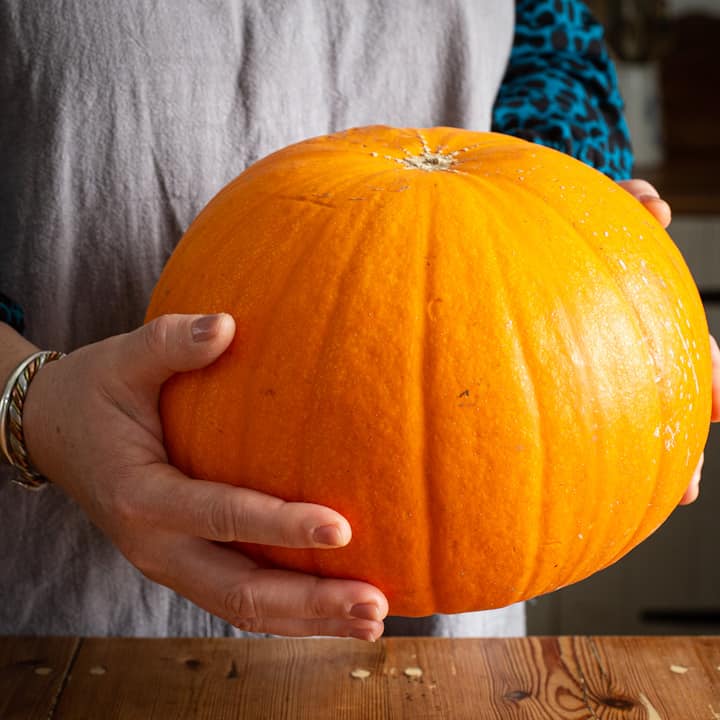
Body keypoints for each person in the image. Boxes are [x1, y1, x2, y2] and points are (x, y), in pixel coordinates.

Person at [1, 0, 718, 639]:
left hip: (465, 583)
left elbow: (549, 46)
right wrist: (30, 405)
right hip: (67, 622)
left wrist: (591, 264)